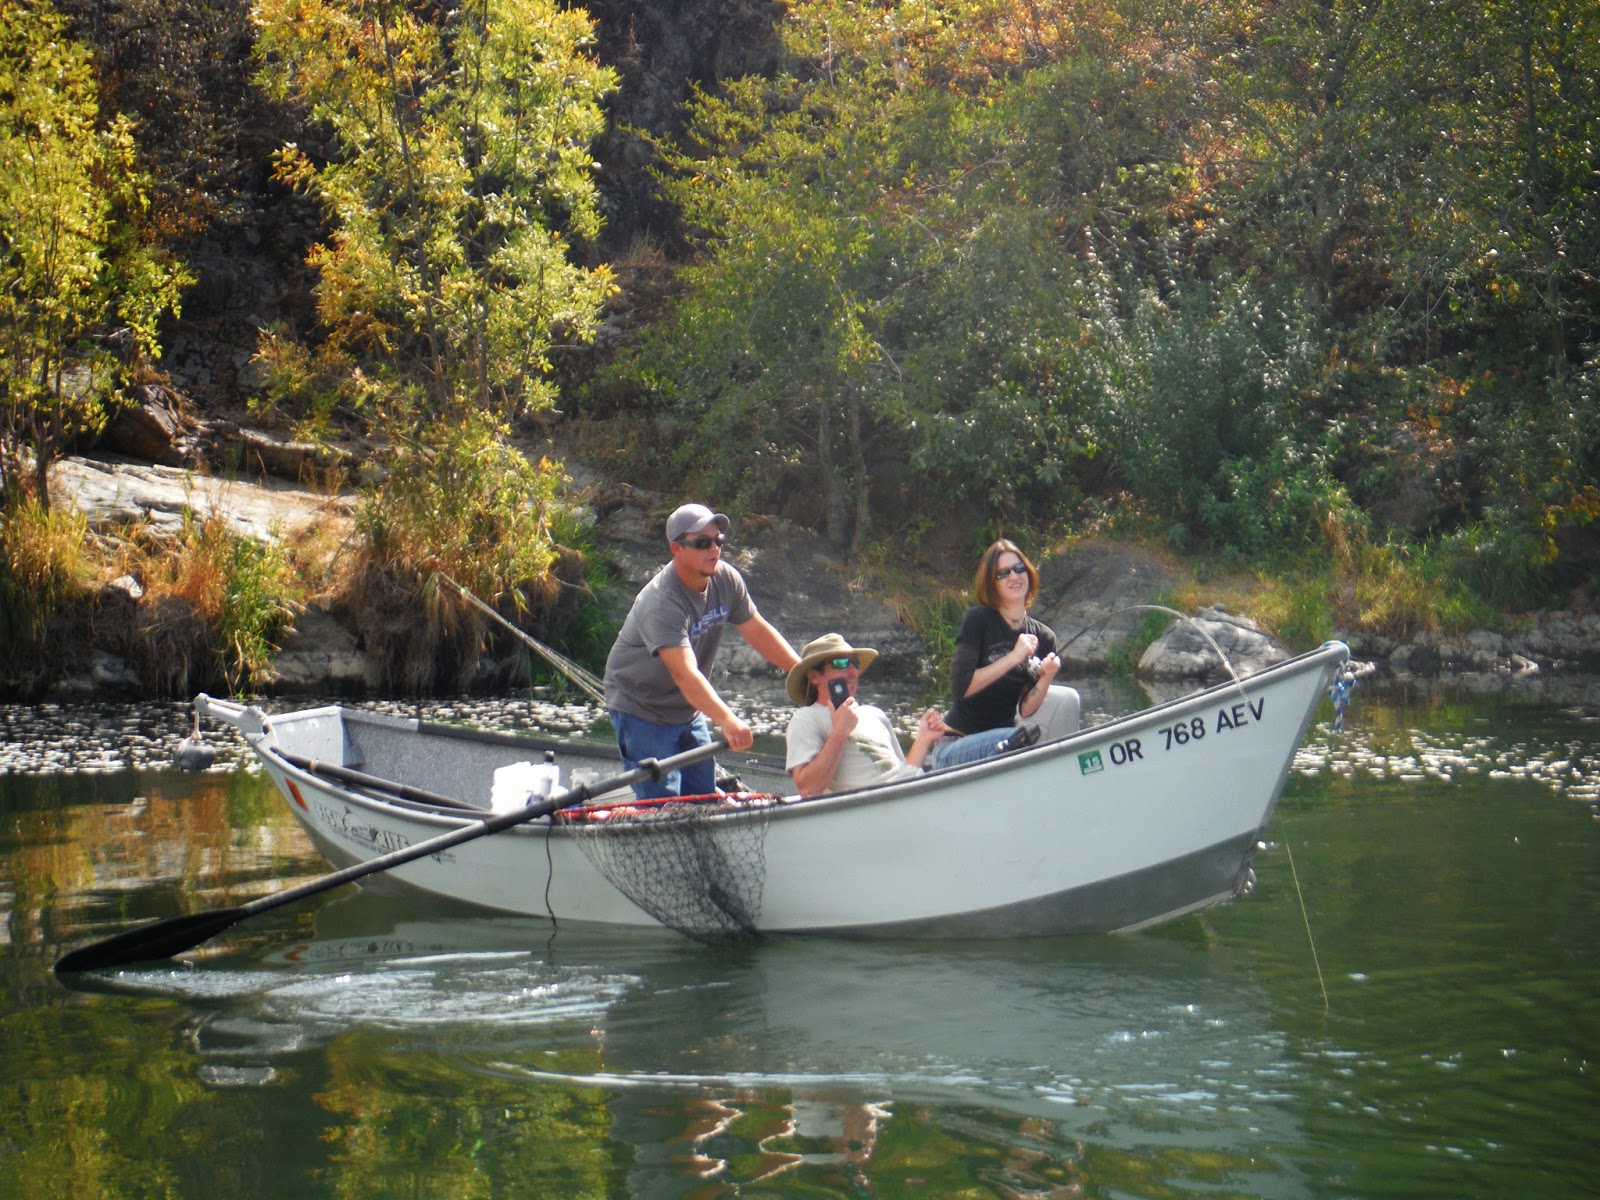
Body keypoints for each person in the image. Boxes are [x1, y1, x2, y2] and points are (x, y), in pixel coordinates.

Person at [603, 503, 800, 799]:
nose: (714, 549)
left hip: (686, 710)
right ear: (676, 549)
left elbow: (759, 632)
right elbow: (685, 674)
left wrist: (805, 674)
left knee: (702, 796)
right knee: (664, 804)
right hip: (641, 709)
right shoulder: (661, 603)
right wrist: (727, 720)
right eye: (703, 543)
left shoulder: (726, 579)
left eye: (718, 540)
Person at [926, 538, 1079, 770]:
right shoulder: (978, 620)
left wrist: (1047, 676)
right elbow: (961, 688)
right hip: (956, 744)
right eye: (1003, 573)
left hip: (1006, 739)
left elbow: (1026, 708)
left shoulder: (1044, 637)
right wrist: (1014, 657)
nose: (1014, 577)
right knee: (1015, 739)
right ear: (992, 584)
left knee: (1023, 735)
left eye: (1019, 569)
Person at [784, 634, 948, 798]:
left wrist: (923, 739)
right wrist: (840, 731)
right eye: (841, 663)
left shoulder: (875, 714)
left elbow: (902, 773)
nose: (852, 670)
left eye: (855, 663)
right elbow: (808, 789)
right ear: (814, 676)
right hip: (881, 805)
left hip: (911, 794)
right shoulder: (806, 718)